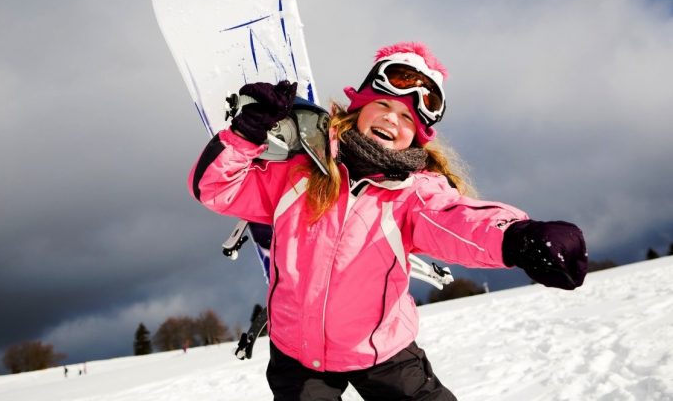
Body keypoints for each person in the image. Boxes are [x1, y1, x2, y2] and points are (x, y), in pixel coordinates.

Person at [188, 42, 588, 400]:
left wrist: (518, 236)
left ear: (418, 136)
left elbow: (459, 220)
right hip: (298, 354)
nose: (392, 120)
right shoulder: (300, 173)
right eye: (383, 105)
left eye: (407, 118)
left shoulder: (414, 194)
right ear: (360, 106)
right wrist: (244, 135)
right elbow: (215, 189)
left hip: (383, 351)